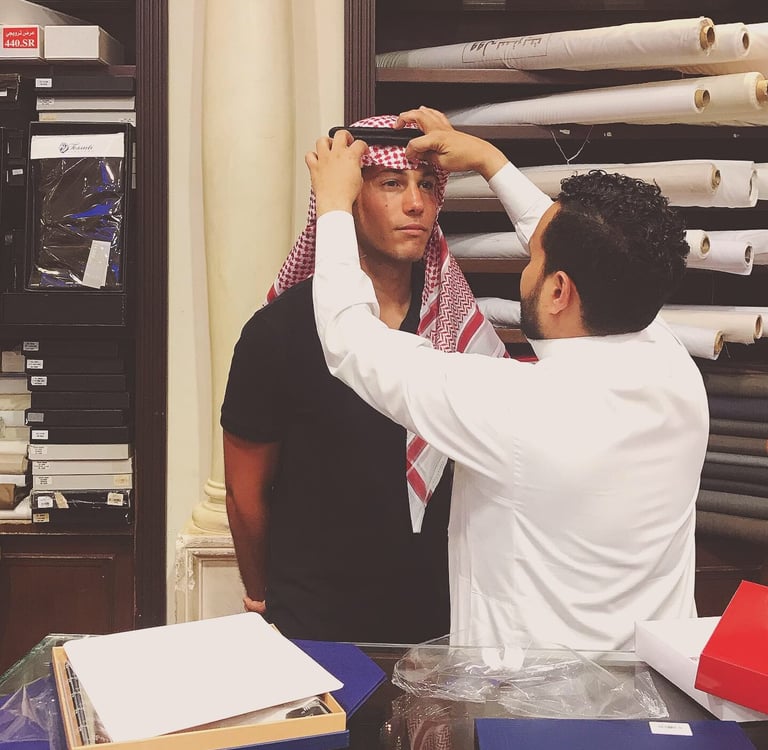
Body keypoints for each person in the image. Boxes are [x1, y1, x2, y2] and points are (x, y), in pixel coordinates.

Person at [308, 106, 710, 651]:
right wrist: (489, 161)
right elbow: (592, 249)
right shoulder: (671, 362)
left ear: (559, 291)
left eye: (533, 259)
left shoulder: (514, 406)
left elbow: (352, 341)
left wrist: (334, 208)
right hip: (653, 680)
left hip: (532, 699)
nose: (527, 262)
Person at [220, 114, 507, 643]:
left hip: (444, 623)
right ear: (349, 199)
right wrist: (263, 596)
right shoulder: (278, 332)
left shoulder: (458, 328)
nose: (416, 204)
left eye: (427, 185)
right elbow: (245, 493)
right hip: (318, 624)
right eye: (392, 184)